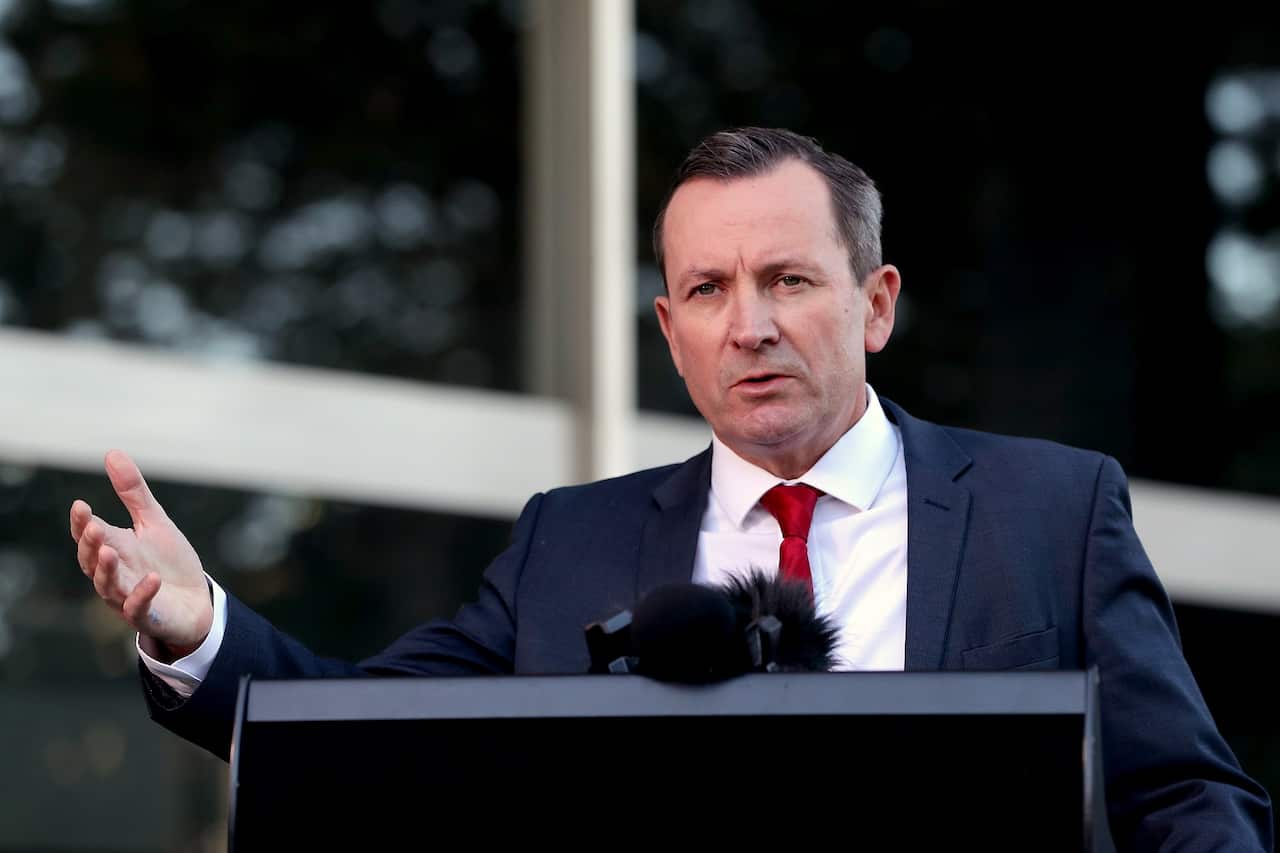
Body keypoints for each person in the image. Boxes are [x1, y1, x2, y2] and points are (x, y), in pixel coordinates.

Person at [70, 127, 1271, 850]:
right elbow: (361, 738)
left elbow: (1178, 793)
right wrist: (200, 628)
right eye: (705, 291)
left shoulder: (1047, 512)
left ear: (877, 303)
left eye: (787, 279)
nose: (746, 326)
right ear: (668, 326)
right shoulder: (569, 545)